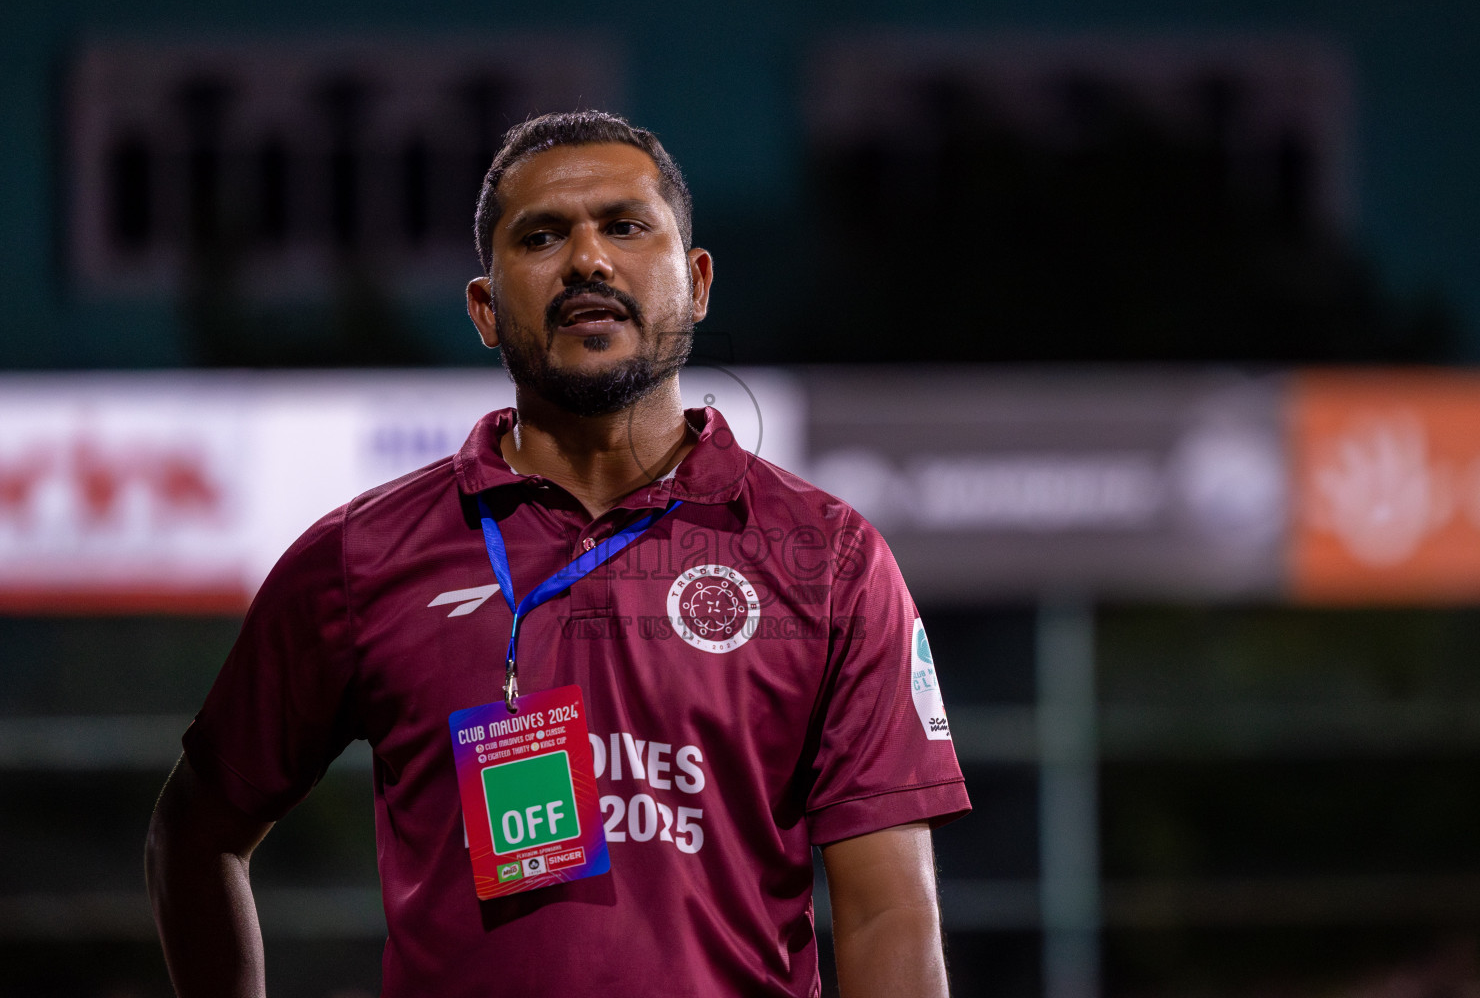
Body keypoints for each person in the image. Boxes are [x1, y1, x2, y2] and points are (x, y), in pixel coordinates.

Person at [146, 110, 970, 997]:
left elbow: (888, 911)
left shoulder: (830, 559)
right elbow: (193, 839)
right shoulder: (359, 557)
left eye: (624, 226)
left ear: (695, 284)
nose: (588, 261)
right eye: (542, 236)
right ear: (484, 310)